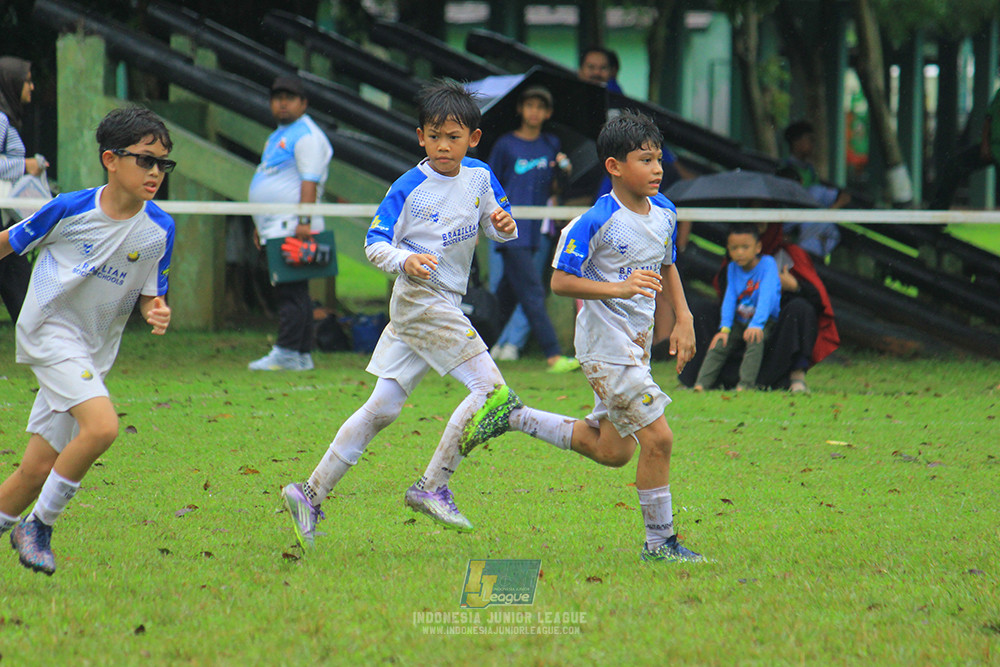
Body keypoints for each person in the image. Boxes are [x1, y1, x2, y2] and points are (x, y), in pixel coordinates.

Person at [280, 80, 585, 546]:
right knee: (491, 392)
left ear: (473, 139)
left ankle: (309, 493)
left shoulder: (481, 177)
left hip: (440, 302)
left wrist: (503, 225)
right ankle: (433, 486)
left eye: (455, 136)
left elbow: (498, 226)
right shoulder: (408, 188)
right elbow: (375, 243)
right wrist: (406, 260)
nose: (445, 146)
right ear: (420, 136)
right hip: (420, 300)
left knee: (382, 408)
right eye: (436, 135)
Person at [0, 106, 175, 575]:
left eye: (163, 163)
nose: (155, 172)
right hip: (48, 331)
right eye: (145, 160)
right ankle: (37, 526)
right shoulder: (69, 208)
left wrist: (155, 310)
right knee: (101, 427)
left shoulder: (160, 230)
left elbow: (149, 294)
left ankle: (19, 514)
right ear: (110, 160)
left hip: (92, 353)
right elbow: (9, 242)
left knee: (33, 471)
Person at [486, 85, 577, 372]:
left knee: (504, 298)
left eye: (541, 107)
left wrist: (564, 172)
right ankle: (552, 355)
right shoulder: (505, 144)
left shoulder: (550, 144)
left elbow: (555, 189)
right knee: (533, 292)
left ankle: (472, 349)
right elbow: (488, 184)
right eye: (530, 105)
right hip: (509, 230)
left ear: (547, 113)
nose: (534, 112)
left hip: (536, 231)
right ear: (520, 109)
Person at [247, 75, 333, 371]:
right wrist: (261, 224)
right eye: (277, 97)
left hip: (293, 225)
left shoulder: (306, 135)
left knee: (290, 291)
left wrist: (304, 222)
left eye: (289, 97)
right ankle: (300, 354)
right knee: (295, 291)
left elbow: (309, 180)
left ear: (303, 103)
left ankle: (287, 352)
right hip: (276, 225)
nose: (282, 102)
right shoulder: (279, 135)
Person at [693, 223, 780, 392]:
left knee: (755, 339)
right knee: (719, 343)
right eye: (734, 248)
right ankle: (701, 384)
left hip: (763, 320)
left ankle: (745, 386)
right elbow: (730, 298)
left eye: (745, 247)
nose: (739, 252)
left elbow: (767, 297)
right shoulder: (732, 268)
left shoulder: (768, 264)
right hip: (740, 320)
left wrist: (757, 324)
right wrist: (725, 328)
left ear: (758, 247)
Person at [0, 56, 46, 323]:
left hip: (6, 225)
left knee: (27, 305)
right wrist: (25, 166)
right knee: (28, 308)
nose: (32, 87)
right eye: (27, 81)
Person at [780, 121, 850, 258]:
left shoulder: (810, 170)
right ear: (796, 142)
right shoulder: (787, 169)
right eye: (809, 140)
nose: (813, 145)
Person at [928, 85, 1000, 210]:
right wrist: (984, 145)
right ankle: (936, 215)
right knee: (955, 165)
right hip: (992, 146)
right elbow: (989, 118)